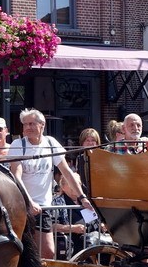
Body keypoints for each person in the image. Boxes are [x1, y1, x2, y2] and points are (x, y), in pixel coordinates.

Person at [8, 108, 93, 258]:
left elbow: (67, 172)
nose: (28, 127)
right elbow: (17, 177)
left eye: (32, 124)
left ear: (42, 125)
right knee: (22, 252)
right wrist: (29, 202)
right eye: (25, 124)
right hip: (23, 206)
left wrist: (82, 197)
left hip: (44, 207)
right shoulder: (18, 144)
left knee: (48, 252)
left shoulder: (51, 143)